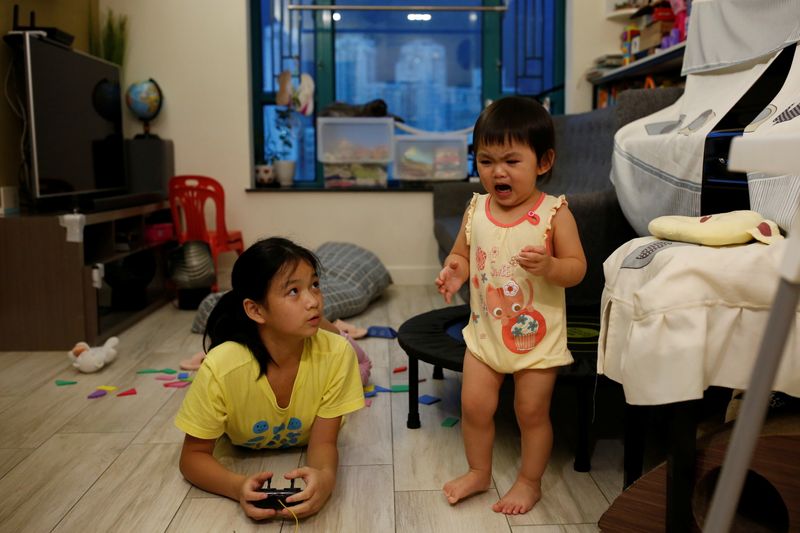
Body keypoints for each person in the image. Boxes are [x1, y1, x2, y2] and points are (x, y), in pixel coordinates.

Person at [436, 96, 587, 515]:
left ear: (543, 162)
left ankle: (528, 481)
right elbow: (461, 255)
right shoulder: (476, 208)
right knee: (474, 406)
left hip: (535, 338)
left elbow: (577, 269)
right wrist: (454, 270)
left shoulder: (554, 214)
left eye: (511, 161)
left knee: (531, 411)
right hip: (485, 333)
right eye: (486, 161)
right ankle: (478, 471)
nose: (497, 171)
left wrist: (553, 265)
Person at [175, 237, 366, 521]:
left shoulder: (337, 355)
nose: (314, 300)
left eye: (315, 285)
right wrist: (236, 486)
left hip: (331, 347)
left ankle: (340, 331)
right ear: (255, 309)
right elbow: (192, 457)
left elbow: (323, 443)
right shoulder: (221, 368)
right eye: (293, 291)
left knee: (352, 353)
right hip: (238, 353)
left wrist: (325, 479)